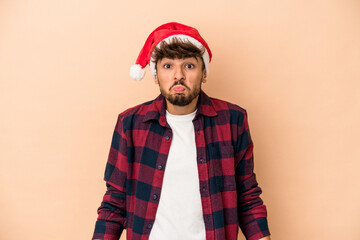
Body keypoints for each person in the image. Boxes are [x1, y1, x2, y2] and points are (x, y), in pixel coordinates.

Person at [92, 22, 271, 240]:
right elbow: (115, 201)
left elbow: (247, 197)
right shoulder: (130, 124)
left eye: (189, 66)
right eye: (168, 66)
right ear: (155, 75)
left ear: (203, 73)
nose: (178, 75)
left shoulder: (233, 120)